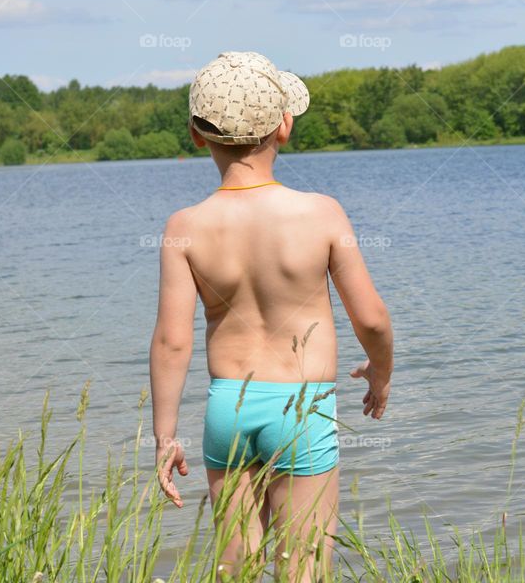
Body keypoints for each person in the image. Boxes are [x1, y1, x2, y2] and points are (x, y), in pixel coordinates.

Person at [149, 51, 394, 581]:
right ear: (284, 126)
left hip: (227, 410)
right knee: (303, 566)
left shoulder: (184, 226)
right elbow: (371, 318)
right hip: (301, 408)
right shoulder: (321, 212)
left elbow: (172, 342)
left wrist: (165, 436)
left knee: (234, 565)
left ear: (197, 134)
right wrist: (380, 370)